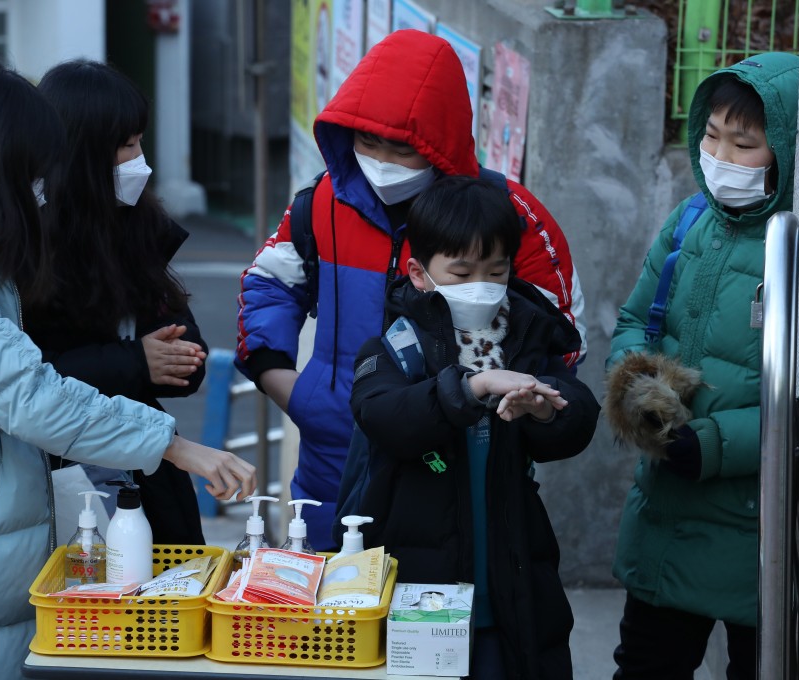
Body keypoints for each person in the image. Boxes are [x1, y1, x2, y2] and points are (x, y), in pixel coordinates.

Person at [0, 59, 256, 680]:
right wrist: (176, 445)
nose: (41, 189)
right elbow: (31, 394)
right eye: (33, 173)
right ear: (1, 167)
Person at [235, 29, 586, 549]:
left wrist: (514, 410)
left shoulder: (508, 216)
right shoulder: (323, 202)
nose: (380, 161)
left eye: (401, 148)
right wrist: (287, 385)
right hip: (330, 464)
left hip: (464, 467)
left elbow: (561, 335)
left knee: (441, 621)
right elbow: (269, 284)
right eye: (366, 140)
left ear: (440, 139)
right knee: (336, 623)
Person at [350, 176, 601, 679]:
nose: (481, 285)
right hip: (419, 583)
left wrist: (548, 411)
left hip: (511, 572)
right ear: (420, 273)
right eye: (461, 272)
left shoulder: (528, 330)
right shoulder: (396, 344)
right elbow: (383, 415)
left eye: (496, 270)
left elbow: (575, 408)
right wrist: (470, 387)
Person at [603, 52, 799, 679]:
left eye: (744, 144)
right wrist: (635, 388)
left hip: (759, 527)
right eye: (712, 136)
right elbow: (636, 319)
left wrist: (712, 443)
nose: (720, 157)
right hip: (667, 514)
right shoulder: (689, 220)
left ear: (788, 153)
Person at [27, 59, 207, 544]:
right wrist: (136, 361)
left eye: (139, 141)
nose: (140, 159)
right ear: (84, 152)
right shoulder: (26, 247)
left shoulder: (139, 226)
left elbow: (188, 366)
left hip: (146, 474)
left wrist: (166, 354)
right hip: (58, 475)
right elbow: (24, 379)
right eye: (127, 145)